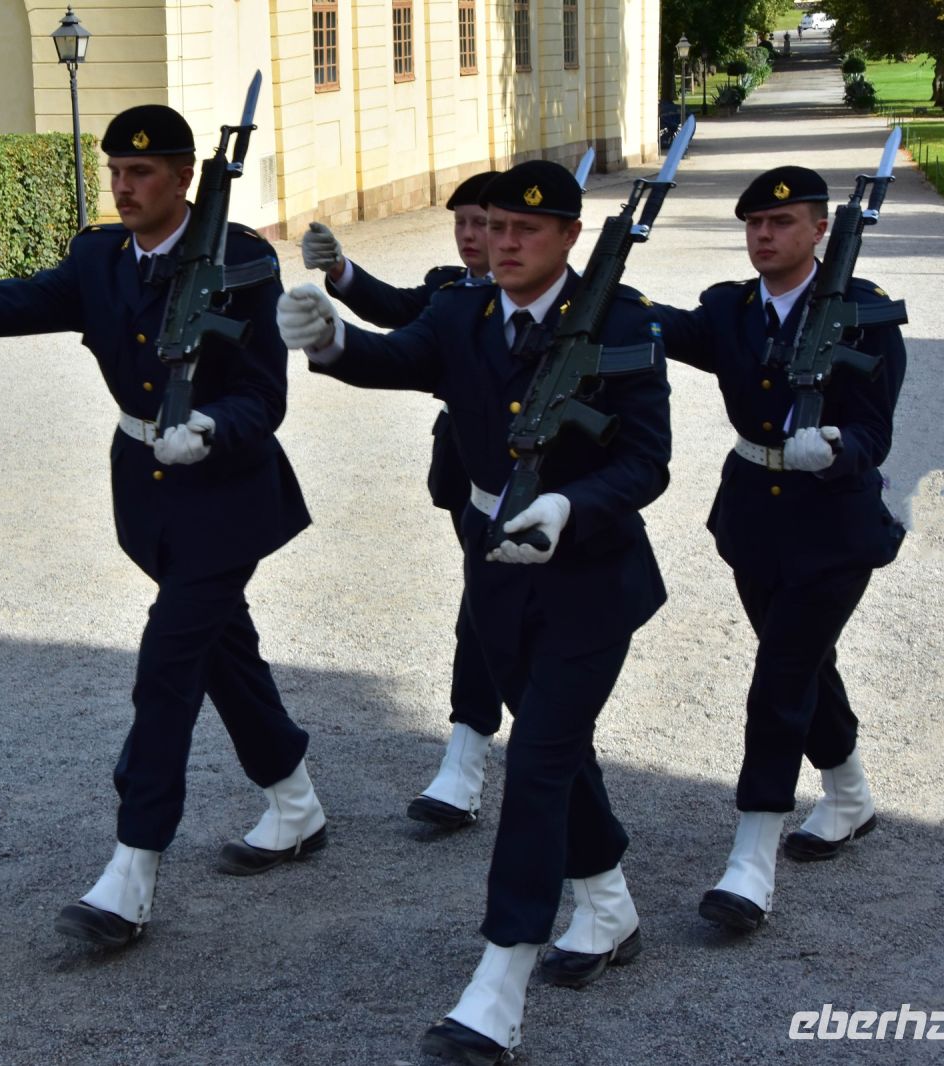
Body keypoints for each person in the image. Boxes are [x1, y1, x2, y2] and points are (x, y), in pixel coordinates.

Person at [0, 104, 325, 951]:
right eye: (115, 171)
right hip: (144, 493)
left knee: (168, 666)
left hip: (224, 497)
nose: (124, 185)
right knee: (220, 647)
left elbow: (264, 396)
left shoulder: (241, 260)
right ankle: (294, 800)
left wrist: (211, 427)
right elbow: (22, 299)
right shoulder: (99, 256)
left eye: (142, 173)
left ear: (185, 178)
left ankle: (131, 873)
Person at [277, 161, 670, 1065]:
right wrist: (328, 342)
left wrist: (570, 507)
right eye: (491, 228)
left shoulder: (621, 319)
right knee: (554, 746)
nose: (501, 245)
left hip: (590, 577)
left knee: (534, 763)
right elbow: (398, 359)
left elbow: (646, 461)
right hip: (495, 566)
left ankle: (499, 983)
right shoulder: (462, 310)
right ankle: (609, 906)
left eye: (524, 231)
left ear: (571, 236)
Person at [652, 166, 906, 933]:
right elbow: (663, 329)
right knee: (803, 662)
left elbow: (874, 429)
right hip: (752, 523)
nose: (766, 236)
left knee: (779, 678)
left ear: (821, 229)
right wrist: (583, 292)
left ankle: (750, 863)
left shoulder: (864, 316)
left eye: (784, 222)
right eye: (756, 224)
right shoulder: (731, 309)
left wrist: (835, 445)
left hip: (832, 530)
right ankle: (852, 796)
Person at [300, 172, 507, 831]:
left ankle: (483, 761)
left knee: (499, 612)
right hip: (468, 472)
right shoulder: (449, 287)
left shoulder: (558, 300)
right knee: (484, 605)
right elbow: (395, 314)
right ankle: (467, 763)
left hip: (546, 486)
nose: (472, 236)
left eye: (484, 222)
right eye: (463, 223)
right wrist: (341, 273)